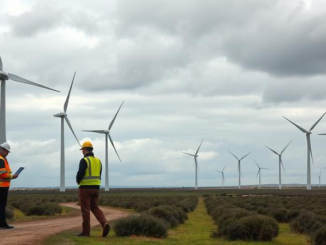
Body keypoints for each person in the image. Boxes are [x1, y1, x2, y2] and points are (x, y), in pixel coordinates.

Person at [76, 141, 110, 237]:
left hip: (85, 188)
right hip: (96, 188)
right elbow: (99, 174)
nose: (82, 151)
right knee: (94, 207)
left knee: (85, 210)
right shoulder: (98, 161)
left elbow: (80, 173)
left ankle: (86, 232)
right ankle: (104, 223)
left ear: (85, 149)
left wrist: (78, 181)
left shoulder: (84, 160)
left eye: (82, 150)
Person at [0, 142, 18, 229]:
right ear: (2, 150)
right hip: (1, 187)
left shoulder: (3, 159)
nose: (7, 153)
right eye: (7, 151)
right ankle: (2, 224)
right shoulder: (1, 159)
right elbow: (2, 174)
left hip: (3, 186)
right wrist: (12, 176)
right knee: (1, 205)